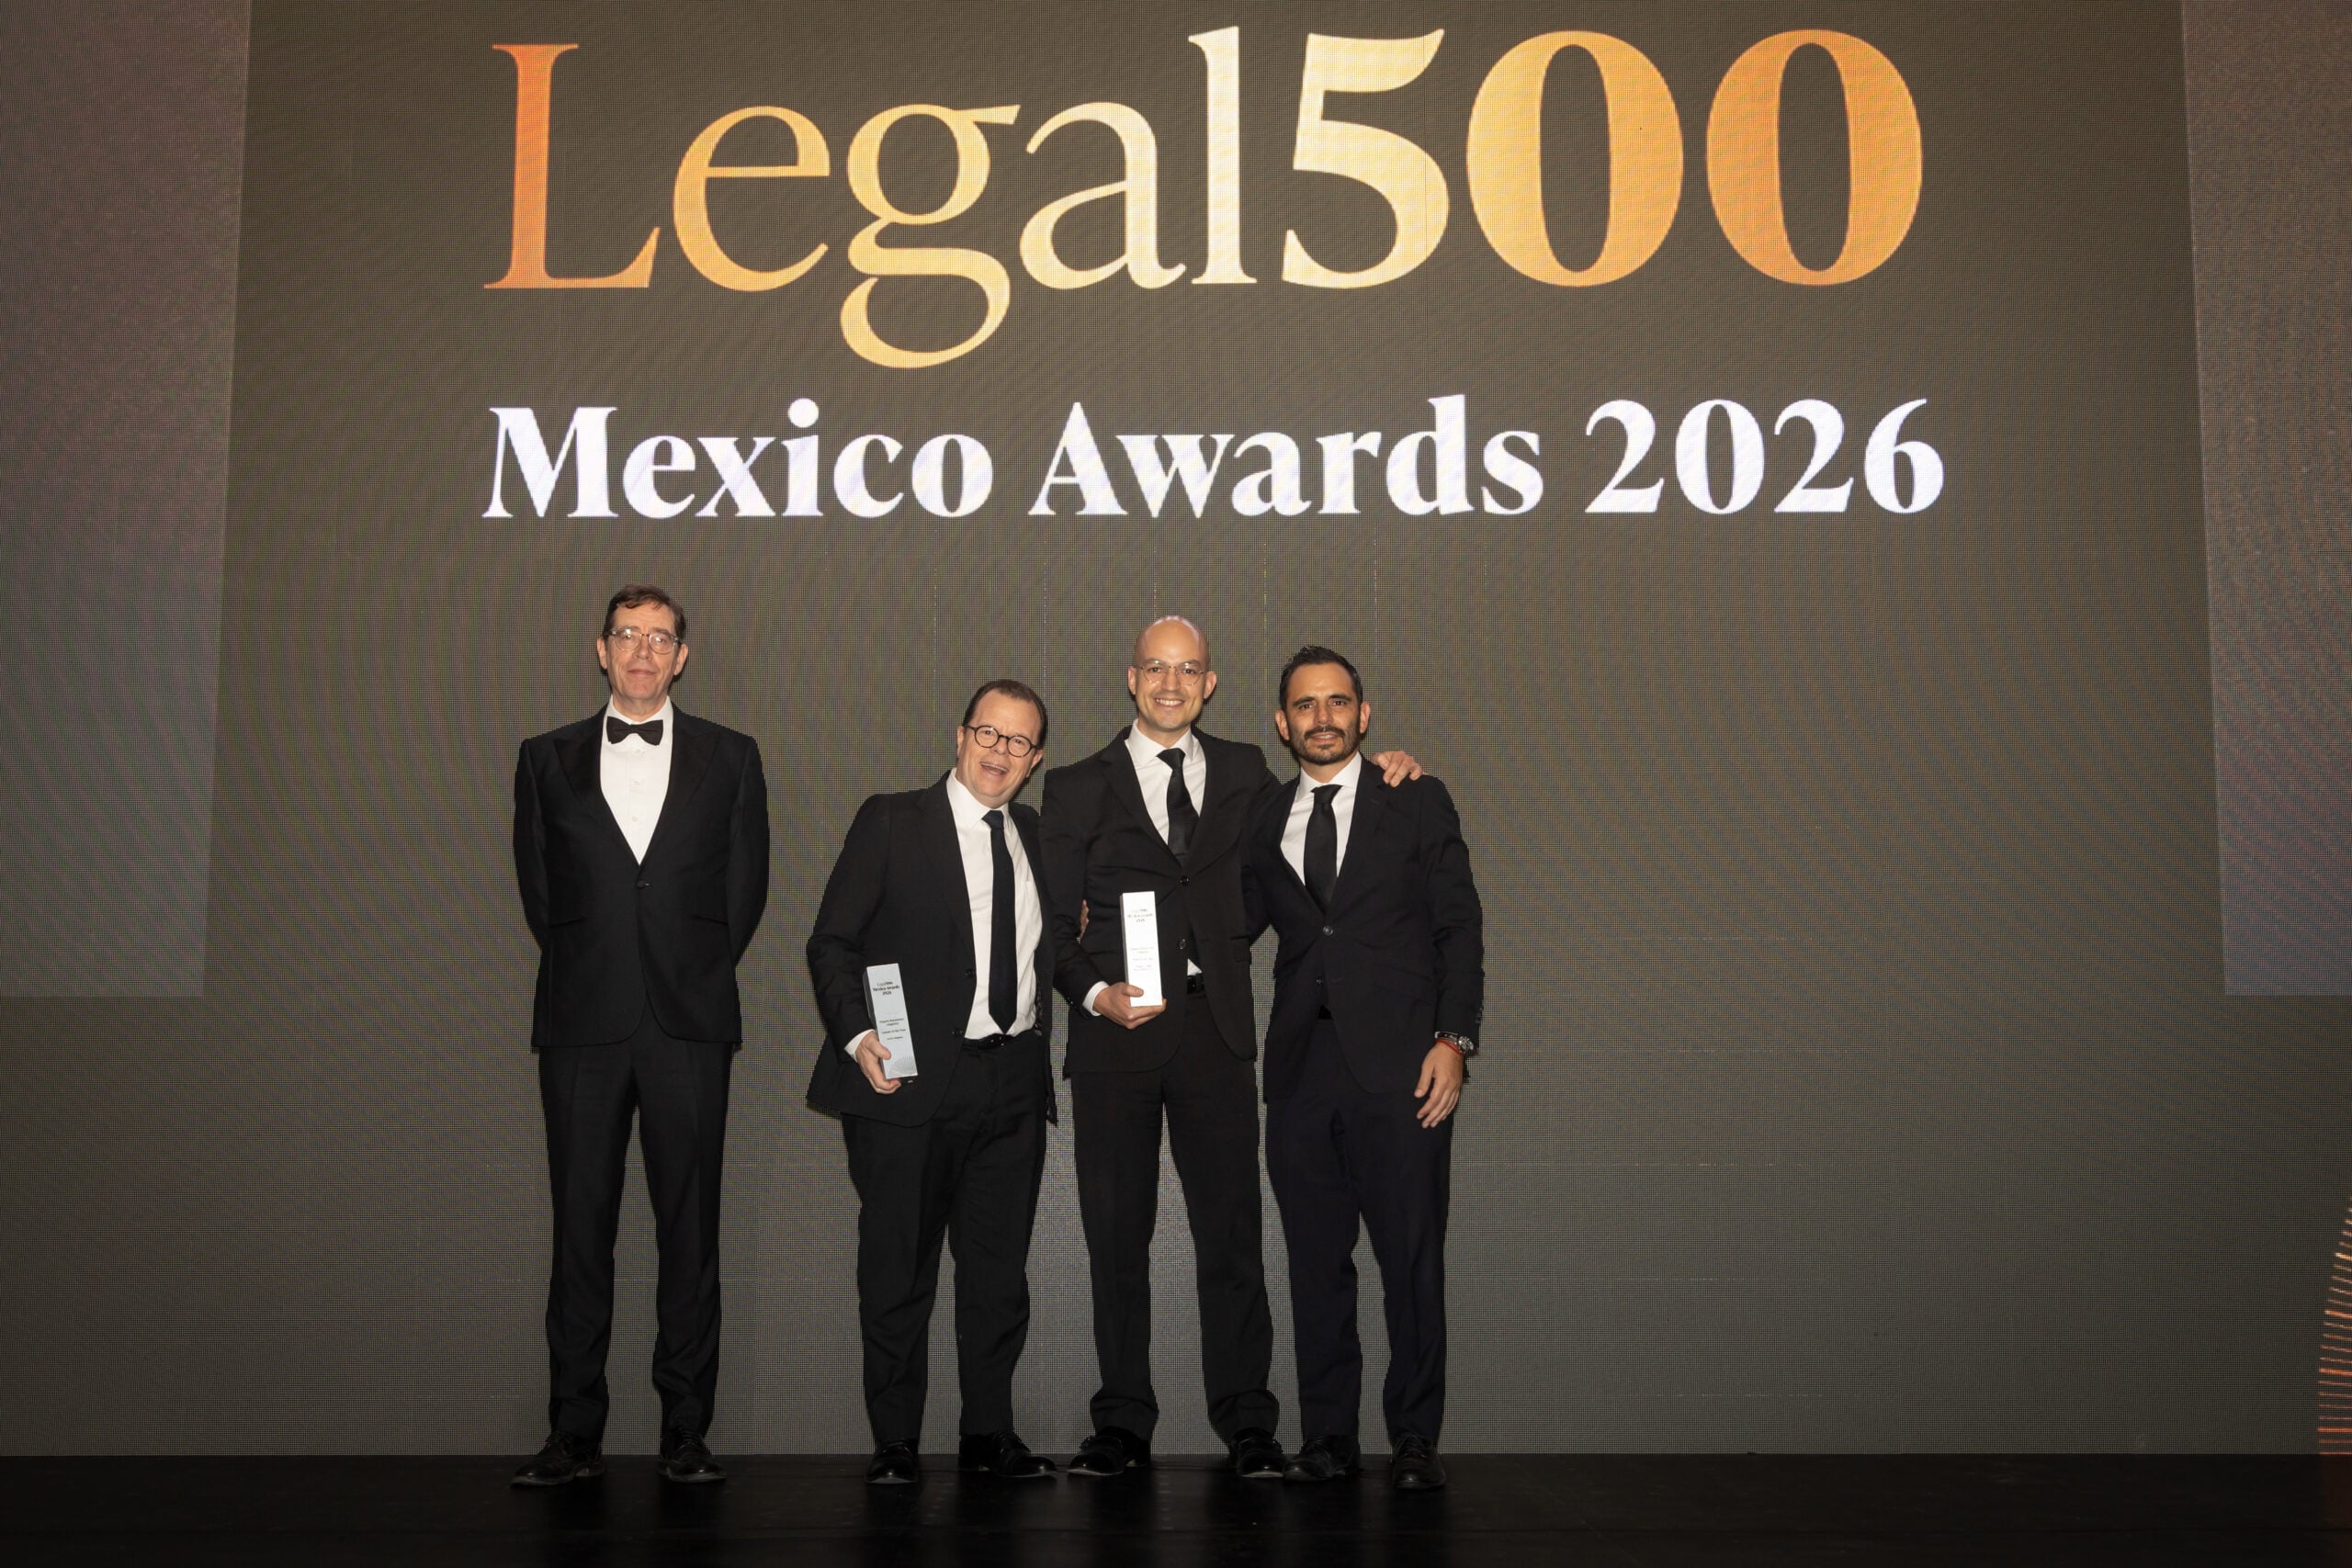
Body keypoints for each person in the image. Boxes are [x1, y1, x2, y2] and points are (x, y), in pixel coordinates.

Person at [1038, 616, 1418, 1479]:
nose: (1171, 683)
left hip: (1215, 1030)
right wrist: (1094, 993)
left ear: (1209, 684)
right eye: (1156, 668)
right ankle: (1122, 1422)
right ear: (1132, 677)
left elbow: (1314, 821)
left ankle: (1248, 1421)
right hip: (1114, 1037)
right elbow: (1053, 928)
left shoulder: (1248, 771)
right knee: (1115, 1239)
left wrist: (1393, 765)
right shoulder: (1074, 786)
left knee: (1233, 1236)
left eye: (1189, 669)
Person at [508, 585, 769, 1487]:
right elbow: (542, 894)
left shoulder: (733, 757)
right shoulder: (543, 759)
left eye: (661, 638)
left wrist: (686, 972)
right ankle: (573, 1434)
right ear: (602, 649)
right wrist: (602, 964)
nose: (644, 651)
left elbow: (744, 892)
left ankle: (685, 1432)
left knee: (690, 1233)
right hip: (581, 1023)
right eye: (629, 635)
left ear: (682, 657)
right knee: (579, 1231)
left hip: (689, 1025)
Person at [805, 681, 1059, 1486]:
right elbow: (832, 941)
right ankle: (895, 1442)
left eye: (1018, 741)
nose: (999, 751)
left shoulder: (1039, 836)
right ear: (959, 735)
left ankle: (988, 1433)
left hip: (1013, 1081)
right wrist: (858, 1035)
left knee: (997, 1276)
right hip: (907, 1082)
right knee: (897, 1269)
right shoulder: (892, 820)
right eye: (988, 732)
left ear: (1034, 759)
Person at [1245, 646, 1482, 1491]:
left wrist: (1454, 1041)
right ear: (1283, 723)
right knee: (1316, 1267)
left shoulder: (1414, 797)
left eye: (1338, 701)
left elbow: (1459, 926)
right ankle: (1329, 1439)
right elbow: (1223, 919)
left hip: (1404, 1070)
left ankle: (1414, 1437)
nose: (1323, 717)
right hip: (1301, 1074)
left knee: (1412, 1262)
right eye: (1306, 705)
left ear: (1364, 714)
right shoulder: (1262, 816)